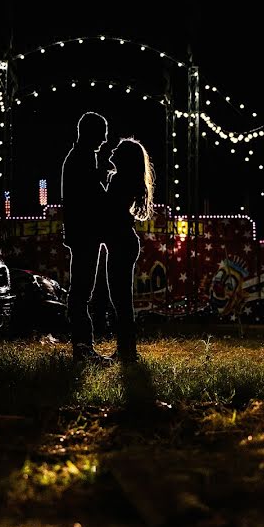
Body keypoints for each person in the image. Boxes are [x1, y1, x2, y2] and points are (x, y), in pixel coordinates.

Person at [61, 112, 115, 363]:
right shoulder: (82, 159)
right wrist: (104, 175)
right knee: (82, 292)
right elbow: (91, 197)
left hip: (82, 233)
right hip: (85, 234)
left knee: (82, 291)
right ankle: (83, 348)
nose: (104, 139)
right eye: (102, 133)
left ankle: (83, 347)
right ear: (90, 132)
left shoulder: (82, 157)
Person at [103, 137, 154, 364]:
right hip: (126, 241)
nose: (112, 151)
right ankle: (127, 349)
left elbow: (107, 209)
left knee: (120, 299)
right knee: (123, 299)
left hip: (121, 242)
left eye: (117, 149)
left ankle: (127, 351)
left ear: (123, 158)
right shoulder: (128, 179)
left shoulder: (117, 180)